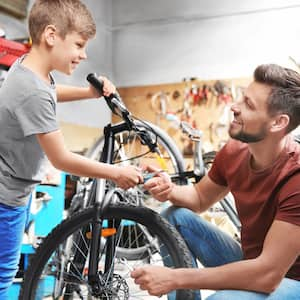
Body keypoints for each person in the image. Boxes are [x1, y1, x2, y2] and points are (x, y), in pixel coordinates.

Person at [0, 0, 143, 298]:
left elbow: (49, 94)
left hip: (14, 191)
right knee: (2, 279)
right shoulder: (32, 91)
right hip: (6, 199)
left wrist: (88, 93)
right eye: (79, 44)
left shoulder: (29, 71)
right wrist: (116, 172)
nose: (84, 54)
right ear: (51, 35)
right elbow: (61, 159)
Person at [131, 64, 300, 299]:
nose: (234, 107)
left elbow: (268, 275)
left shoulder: (296, 177)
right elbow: (200, 198)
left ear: (278, 123)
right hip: (254, 263)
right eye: (242, 98)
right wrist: (168, 188)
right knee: (172, 217)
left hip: (289, 279)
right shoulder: (234, 151)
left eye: (248, 105)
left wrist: (174, 278)